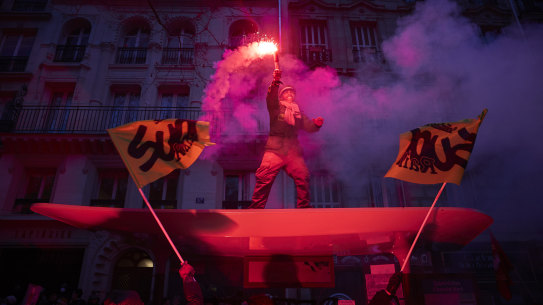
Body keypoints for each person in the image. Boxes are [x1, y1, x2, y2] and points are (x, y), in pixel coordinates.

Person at [249, 69, 324, 209]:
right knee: (264, 177)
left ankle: (304, 207)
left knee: (303, 176)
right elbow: (270, 98)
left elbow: (307, 125)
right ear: (282, 96)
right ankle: (255, 208)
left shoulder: (298, 112)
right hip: (275, 149)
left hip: (292, 151)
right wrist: (275, 82)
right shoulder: (276, 108)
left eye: (292, 92)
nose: (290, 94)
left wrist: (316, 124)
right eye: (286, 92)